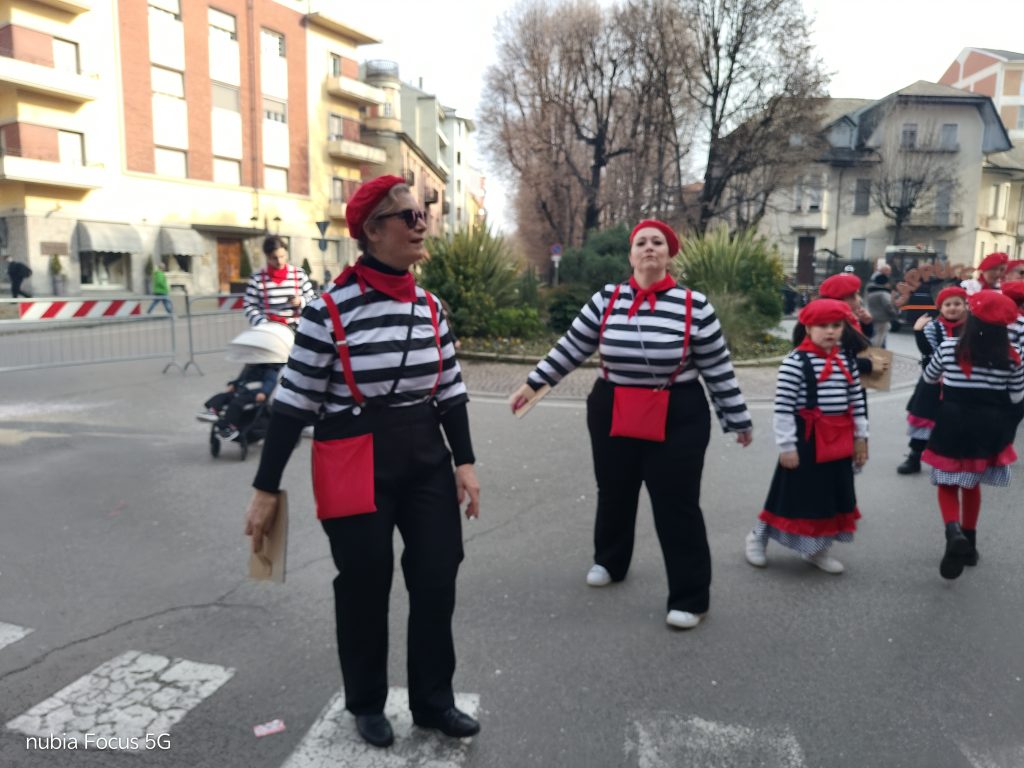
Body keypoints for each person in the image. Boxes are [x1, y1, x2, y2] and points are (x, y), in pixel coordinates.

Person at [243, 175, 481, 749]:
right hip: (353, 457)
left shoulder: (429, 306)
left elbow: (450, 390)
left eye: (422, 214)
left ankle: (433, 701)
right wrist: (266, 487)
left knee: (436, 578)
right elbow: (292, 404)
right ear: (373, 231)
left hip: (425, 454)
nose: (421, 224)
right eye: (409, 217)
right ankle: (367, 702)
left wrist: (465, 463)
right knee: (364, 584)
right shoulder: (327, 311)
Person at [509, 219, 753, 631]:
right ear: (631, 254)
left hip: (678, 412)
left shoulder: (695, 306)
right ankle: (610, 560)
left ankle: (690, 597)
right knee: (615, 490)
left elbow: (718, 368)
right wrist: (533, 385)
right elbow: (571, 347)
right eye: (641, 242)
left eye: (658, 242)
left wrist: (737, 418)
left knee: (677, 502)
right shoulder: (606, 299)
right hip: (613, 406)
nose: (649, 247)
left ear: (669, 255)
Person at [745, 299, 868, 574]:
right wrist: (787, 446)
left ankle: (817, 550)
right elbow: (783, 407)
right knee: (789, 494)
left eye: (836, 325)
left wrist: (861, 437)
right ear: (808, 328)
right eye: (822, 326)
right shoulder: (795, 362)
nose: (830, 331)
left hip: (839, 437)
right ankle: (757, 537)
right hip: (806, 440)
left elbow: (856, 401)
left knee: (831, 495)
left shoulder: (846, 360)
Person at [920, 291, 1024, 580]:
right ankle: (970, 543)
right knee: (971, 483)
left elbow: (929, 377)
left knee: (946, 481)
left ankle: (953, 532)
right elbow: (1017, 397)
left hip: (951, 421)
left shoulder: (948, 347)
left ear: (971, 317)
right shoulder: (1013, 355)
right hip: (987, 425)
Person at [896, 286, 967, 475]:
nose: (953, 308)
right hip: (933, 381)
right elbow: (927, 353)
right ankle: (914, 457)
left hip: (960, 383)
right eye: (948, 304)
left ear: (965, 306)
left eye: (957, 304)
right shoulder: (933, 327)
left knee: (957, 421)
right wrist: (918, 331)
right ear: (940, 307)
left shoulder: (971, 327)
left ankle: (954, 457)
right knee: (924, 418)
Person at [243, 235, 315, 329]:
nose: (279, 261)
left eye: (282, 256)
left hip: (297, 328)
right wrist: (263, 323)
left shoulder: (299, 274)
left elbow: (313, 299)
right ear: (267, 257)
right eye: (275, 258)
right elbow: (249, 305)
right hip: (269, 329)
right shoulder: (257, 278)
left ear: (286, 253)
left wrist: (301, 301)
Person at [200, 362, 282, 440]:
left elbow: (270, 382)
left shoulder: (269, 371)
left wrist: (263, 392)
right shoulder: (248, 369)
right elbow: (240, 380)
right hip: (241, 391)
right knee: (222, 396)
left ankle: (231, 427)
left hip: (253, 395)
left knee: (235, 403)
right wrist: (233, 384)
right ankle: (212, 411)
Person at [865, 272, 899, 348]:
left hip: (872, 317)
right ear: (885, 282)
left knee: (875, 335)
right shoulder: (883, 293)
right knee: (879, 337)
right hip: (882, 319)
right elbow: (888, 305)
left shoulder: (871, 292)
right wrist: (894, 313)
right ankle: (873, 352)